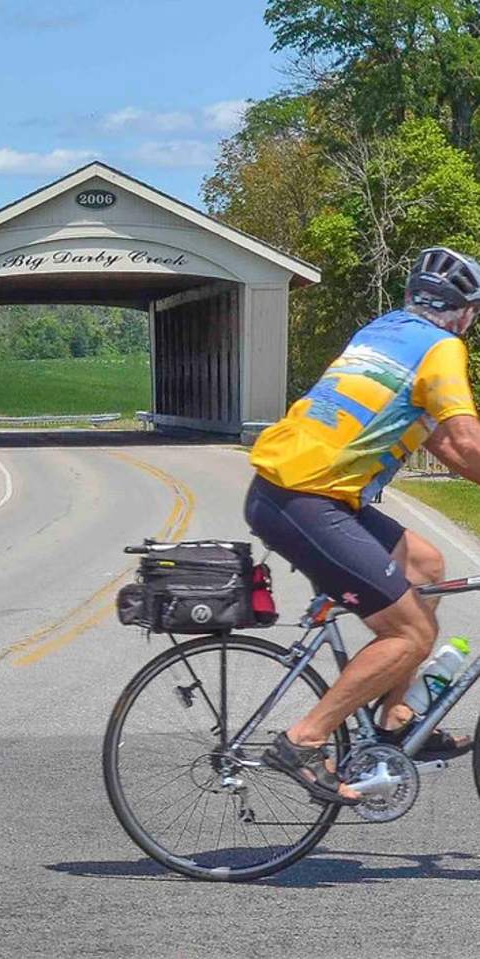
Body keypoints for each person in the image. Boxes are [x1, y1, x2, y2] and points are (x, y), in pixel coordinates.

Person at [245, 247, 480, 805]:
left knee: (426, 566)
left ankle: (394, 714)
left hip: (300, 493)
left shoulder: (385, 332)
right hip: (303, 500)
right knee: (410, 634)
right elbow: (468, 441)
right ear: (466, 313)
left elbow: (444, 442)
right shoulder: (443, 348)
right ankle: (304, 740)